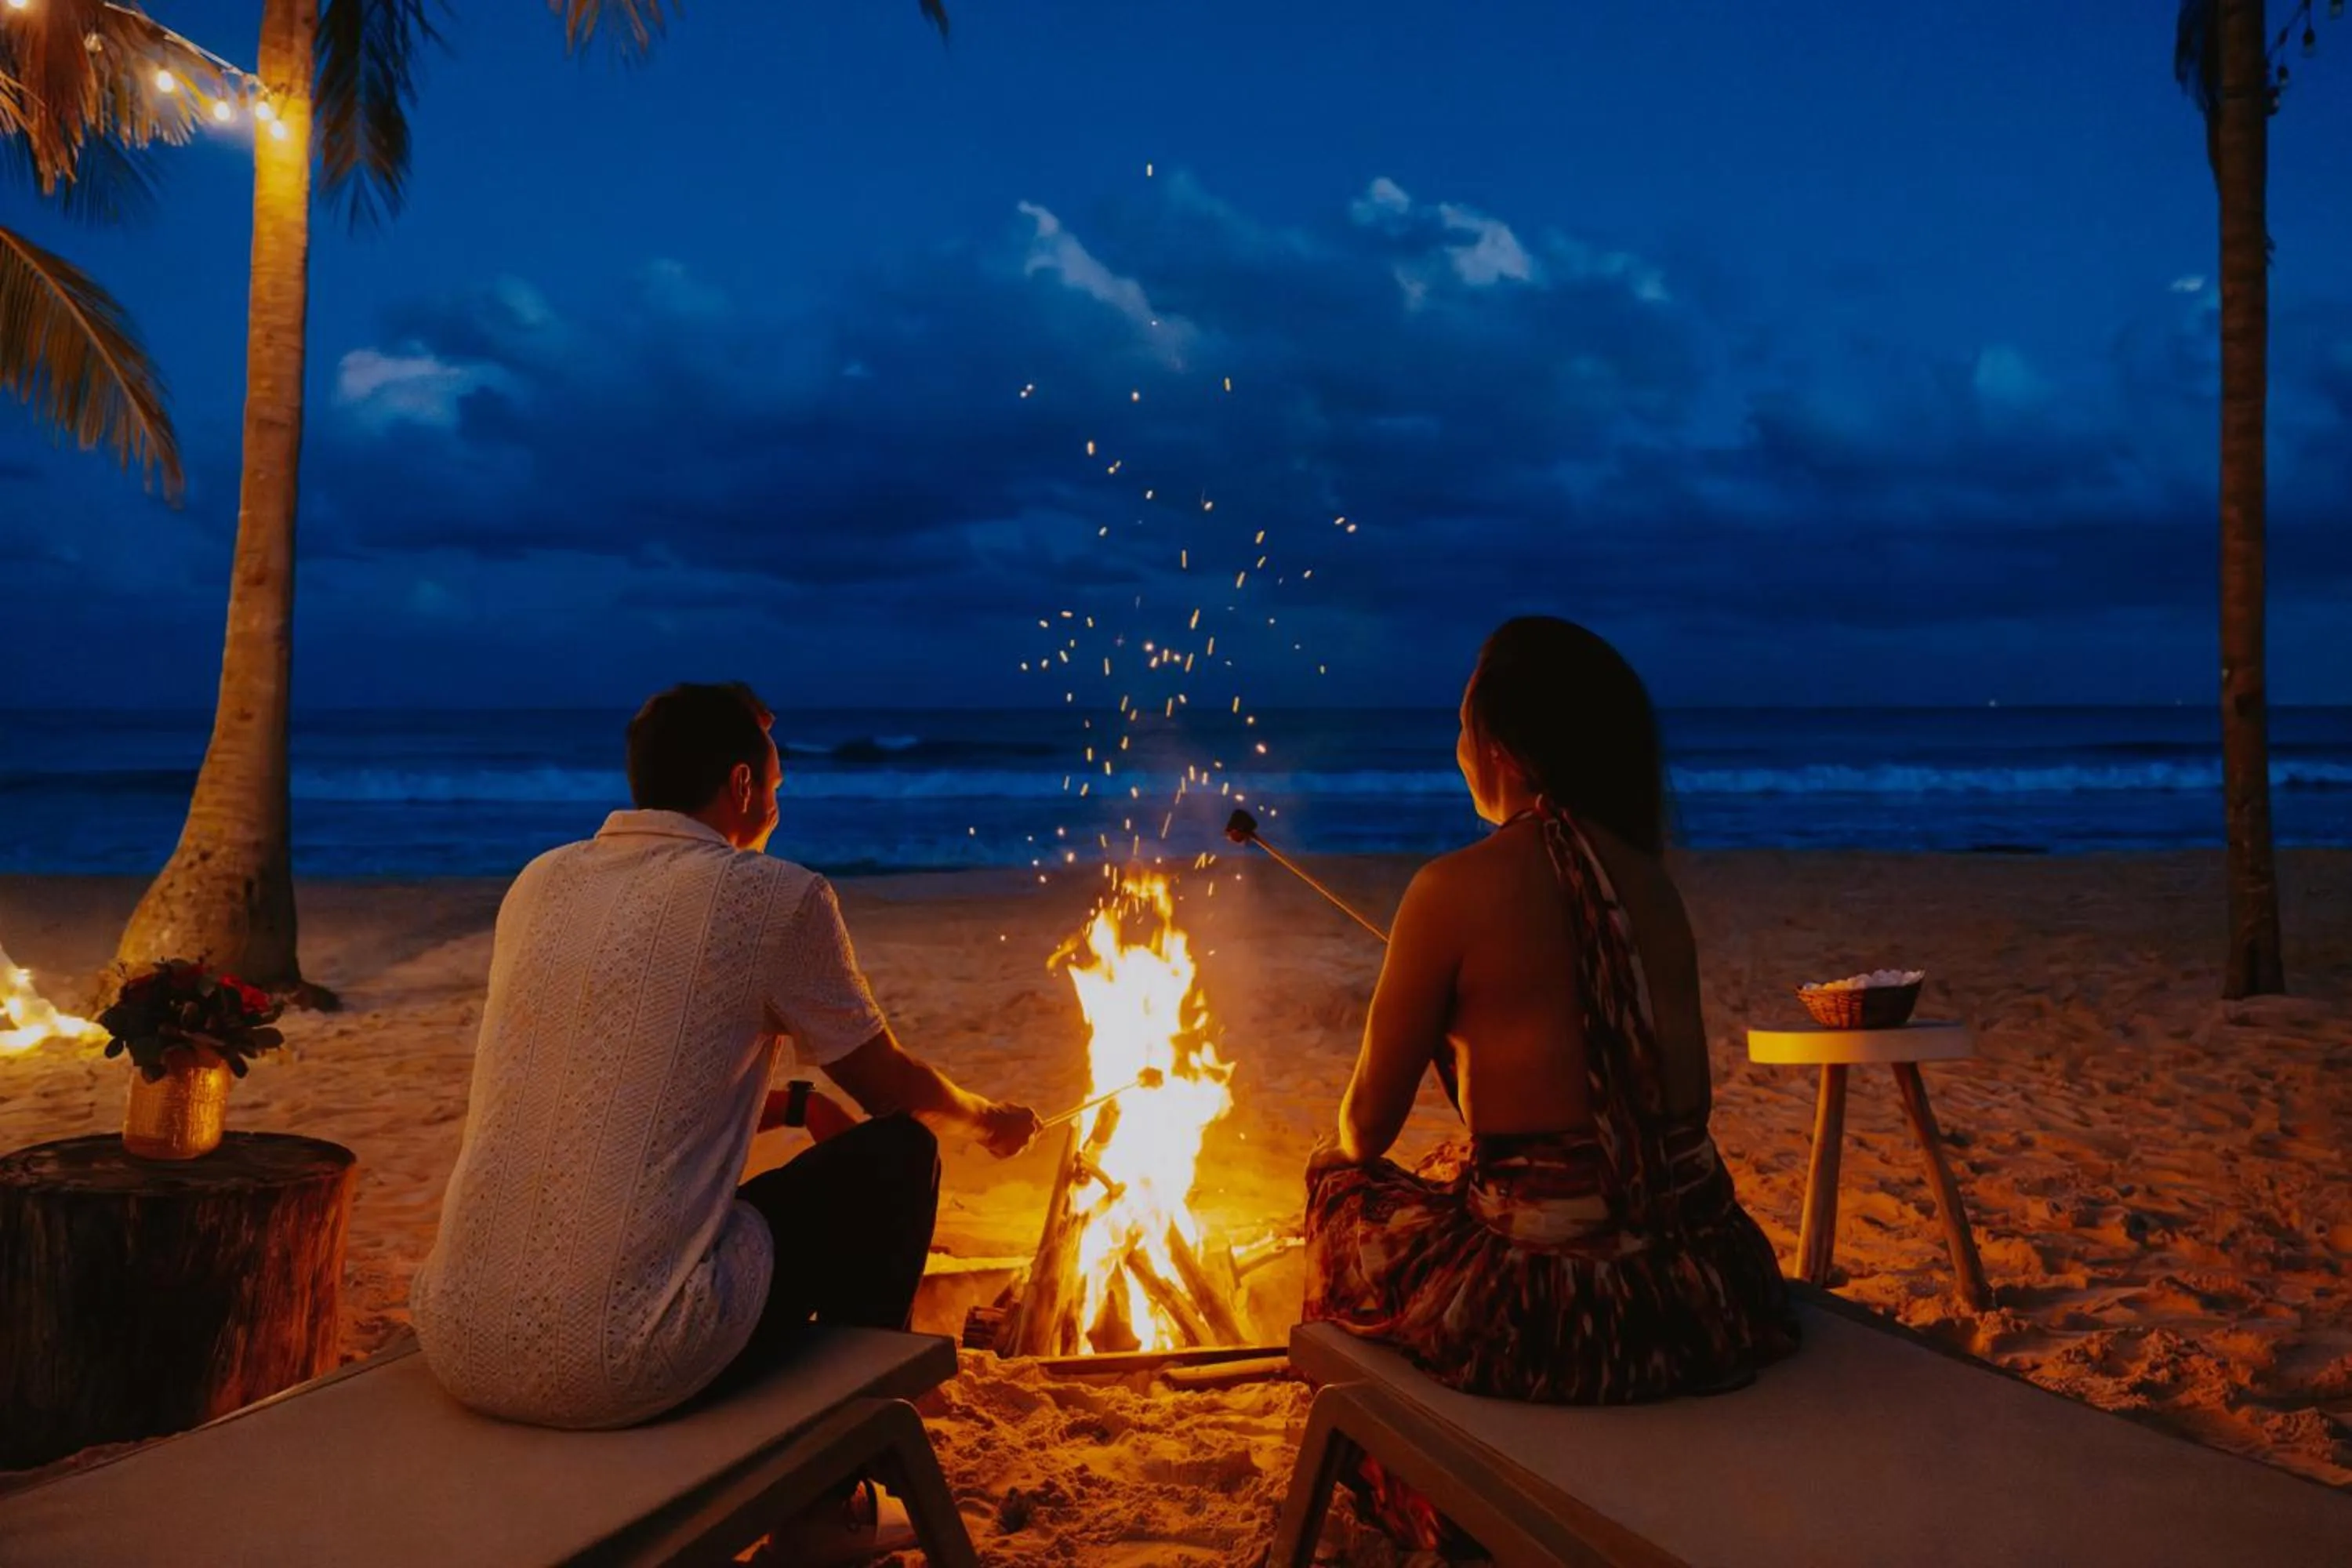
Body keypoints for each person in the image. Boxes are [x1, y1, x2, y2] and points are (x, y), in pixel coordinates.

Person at [412, 682, 1039, 1547]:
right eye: (777, 786)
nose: (780, 805)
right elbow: (889, 1086)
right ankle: (827, 1500)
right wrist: (987, 1115)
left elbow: (624, 1072)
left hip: (459, 1333)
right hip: (622, 1357)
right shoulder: (774, 896)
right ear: (741, 786)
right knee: (899, 1156)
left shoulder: (539, 883)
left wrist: (792, 1101)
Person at [1304, 617, 1798, 1555]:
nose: (1454, 752)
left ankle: (1432, 1505)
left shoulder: (1451, 887)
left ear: (1500, 745)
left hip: (1554, 1322)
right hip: (1705, 1287)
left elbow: (1365, 1128)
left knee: (1335, 1184)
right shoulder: (1649, 880)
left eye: (1460, 728)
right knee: (1467, 1162)